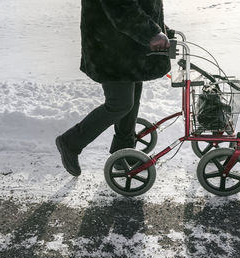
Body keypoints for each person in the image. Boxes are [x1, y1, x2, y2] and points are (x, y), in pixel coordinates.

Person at [56, 0, 172, 176]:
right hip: (111, 48)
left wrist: (162, 29)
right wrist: (152, 33)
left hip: (129, 47)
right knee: (120, 103)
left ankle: (123, 150)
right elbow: (121, 7)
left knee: (132, 99)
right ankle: (71, 142)